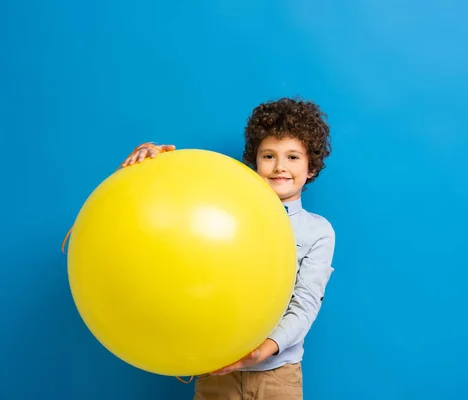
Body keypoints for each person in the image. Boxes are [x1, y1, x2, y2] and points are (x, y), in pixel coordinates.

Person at [122, 97, 336, 400]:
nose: (279, 167)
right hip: (217, 371)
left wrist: (259, 353)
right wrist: (153, 160)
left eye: (292, 157)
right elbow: (177, 209)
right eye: (268, 156)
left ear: (310, 167)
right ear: (255, 161)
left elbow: (304, 305)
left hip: (279, 375)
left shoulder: (318, 231)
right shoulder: (227, 210)